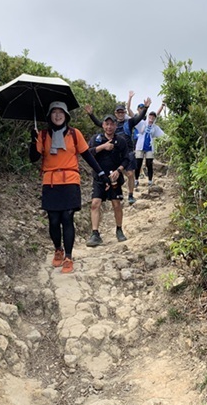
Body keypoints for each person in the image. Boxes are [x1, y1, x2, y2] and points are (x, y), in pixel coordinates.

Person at [29, 101, 111, 273]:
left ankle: (68, 256)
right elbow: (33, 158)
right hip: (50, 182)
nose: (58, 115)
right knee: (53, 220)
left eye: (61, 112)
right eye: (54, 112)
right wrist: (33, 140)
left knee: (67, 217)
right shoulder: (42, 135)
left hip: (70, 181)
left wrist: (101, 173)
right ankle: (57, 249)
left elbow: (87, 155)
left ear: (66, 115)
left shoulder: (74, 134)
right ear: (49, 116)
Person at [84, 93, 150, 205]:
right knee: (114, 173)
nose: (120, 114)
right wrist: (91, 114)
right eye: (118, 112)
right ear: (115, 113)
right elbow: (98, 123)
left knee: (130, 174)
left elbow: (138, 118)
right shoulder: (110, 125)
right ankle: (113, 193)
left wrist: (146, 108)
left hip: (127, 151)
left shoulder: (129, 122)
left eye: (122, 112)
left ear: (125, 113)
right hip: (114, 153)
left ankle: (130, 194)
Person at [85, 114, 131, 247]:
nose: (109, 127)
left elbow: (127, 159)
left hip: (114, 178)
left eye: (112, 124)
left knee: (116, 204)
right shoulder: (96, 139)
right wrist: (103, 146)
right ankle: (95, 233)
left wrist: (119, 170)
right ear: (103, 125)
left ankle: (119, 229)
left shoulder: (121, 141)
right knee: (95, 203)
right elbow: (88, 153)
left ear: (115, 126)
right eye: (107, 124)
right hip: (99, 177)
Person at [134, 105, 165, 187]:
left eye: (153, 117)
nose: (151, 118)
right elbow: (134, 120)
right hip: (140, 146)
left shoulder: (155, 128)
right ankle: (136, 180)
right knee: (138, 164)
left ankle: (150, 181)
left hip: (150, 148)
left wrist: (162, 106)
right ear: (148, 116)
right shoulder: (142, 123)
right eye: (150, 116)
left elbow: (164, 136)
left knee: (149, 164)